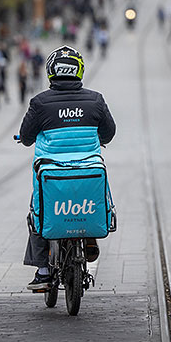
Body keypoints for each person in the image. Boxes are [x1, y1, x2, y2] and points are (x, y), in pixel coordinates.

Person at [19, 46, 116, 290]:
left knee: (38, 212)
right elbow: (109, 132)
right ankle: (90, 236)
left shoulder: (40, 103)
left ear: (51, 71)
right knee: (91, 195)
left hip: (50, 173)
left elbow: (26, 136)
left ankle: (43, 271)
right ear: (79, 71)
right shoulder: (95, 100)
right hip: (88, 169)